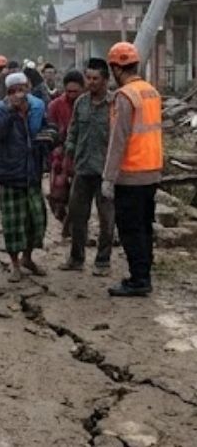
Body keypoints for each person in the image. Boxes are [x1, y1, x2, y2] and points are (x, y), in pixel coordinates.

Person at [102, 42, 163, 297]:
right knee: (145, 226)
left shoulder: (125, 96)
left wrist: (108, 178)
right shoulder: (151, 92)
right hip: (151, 171)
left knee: (130, 229)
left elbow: (119, 140)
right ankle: (144, 273)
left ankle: (139, 280)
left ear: (116, 68)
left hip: (131, 174)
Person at [0, 72, 54, 283]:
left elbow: (46, 127)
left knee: (36, 220)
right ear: (8, 93)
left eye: (23, 89)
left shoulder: (36, 107)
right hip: (10, 174)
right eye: (14, 91)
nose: (19, 94)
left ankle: (28, 258)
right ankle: (15, 264)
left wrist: (49, 136)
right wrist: (11, 111)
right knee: (13, 224)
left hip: (31, 173)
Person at [60, 58, 116, 275]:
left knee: (106, 219)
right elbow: (73, 132)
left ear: (105, 80)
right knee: (77, 215)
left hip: (105, 172)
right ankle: (76, 259)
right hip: (82, 170)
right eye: (88, 78)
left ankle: (103, 262)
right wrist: (68, 154)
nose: (91, 82)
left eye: (95, 78)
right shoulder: (81, 103)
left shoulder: (114, 105)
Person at [46, 70, 84, 236]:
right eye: (69, 91)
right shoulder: (55, 106)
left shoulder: (88, 105)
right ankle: (65, 220)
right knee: (56, 197)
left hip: (82, 157)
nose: (72, 95)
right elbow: (49, 130)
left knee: (79, 199)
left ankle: (76, 230)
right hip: (60, 157)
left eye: (76, 92)